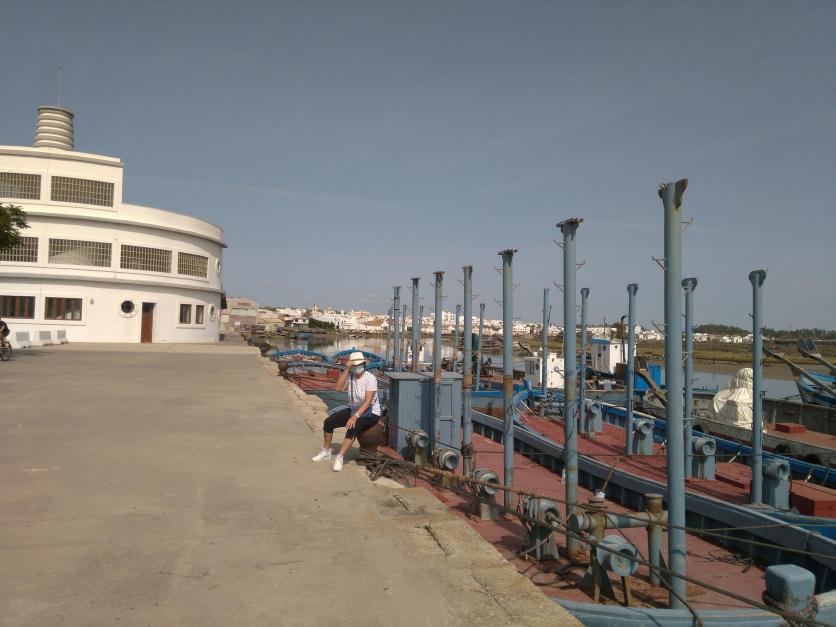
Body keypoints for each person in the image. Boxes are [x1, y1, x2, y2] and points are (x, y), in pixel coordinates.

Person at [312, 351, 382, 472]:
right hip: (354, 409)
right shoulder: (350, 376)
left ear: (364, 364)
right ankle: (326, 451)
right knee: (329, 422)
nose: (358, 367)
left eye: (360, 364)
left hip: (371, 412)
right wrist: (346, 370)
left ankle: (340, 457)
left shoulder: (370, 378)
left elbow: (367, 402)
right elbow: (338, 388)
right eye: (355, 365)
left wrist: (355, 417)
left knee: (353, 426)